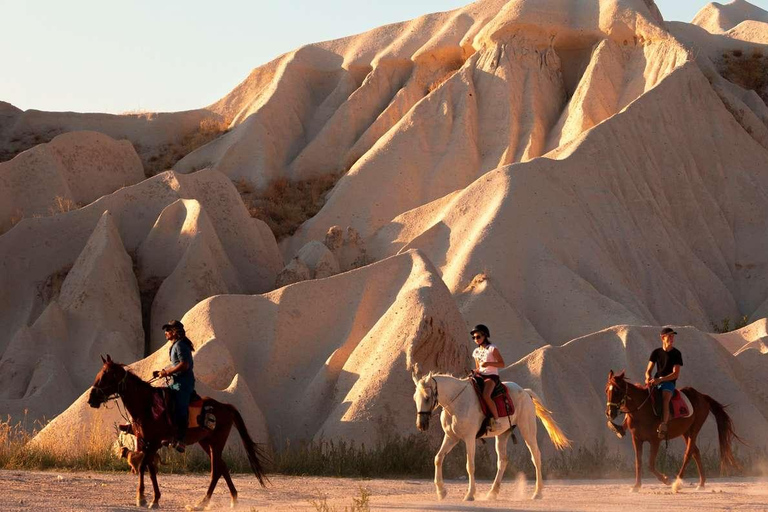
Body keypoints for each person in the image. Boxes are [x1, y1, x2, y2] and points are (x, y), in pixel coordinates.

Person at [153, 320, 196, 452]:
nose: (165, 333)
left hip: (183, 384)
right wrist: (162, 372)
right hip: (176, 383)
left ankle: (181, 440)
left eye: (167, 330)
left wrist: (166, 373)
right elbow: (176, 365)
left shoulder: (180, 345)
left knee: (180, 408)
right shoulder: (177, 345)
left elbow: (184, 365)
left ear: (174, 332)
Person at [646, 327, 683, 438]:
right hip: (656, 381)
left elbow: (676, 374)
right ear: (663, 338)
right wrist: (648, 377)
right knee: (641, 394)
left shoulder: (676, 353)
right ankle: (623, 426)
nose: (672, 338)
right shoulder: (656, 352)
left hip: (669, 382)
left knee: (665, 398)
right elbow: (648, 370)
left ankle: (663, 425)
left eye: (673, 336)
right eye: (670, 336)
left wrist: (660, 380)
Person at [471, 324, 506, 430]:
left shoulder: (492, 349)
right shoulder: (475, 352)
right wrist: (473, 371)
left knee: (486, 395)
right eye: (473, 338)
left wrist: (489, 363)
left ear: (485, 336)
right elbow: (478, 367)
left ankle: (497, 421)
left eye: (478, 337)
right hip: (481, 375)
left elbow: (502, 364)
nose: (475, 339)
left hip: (491, 376)